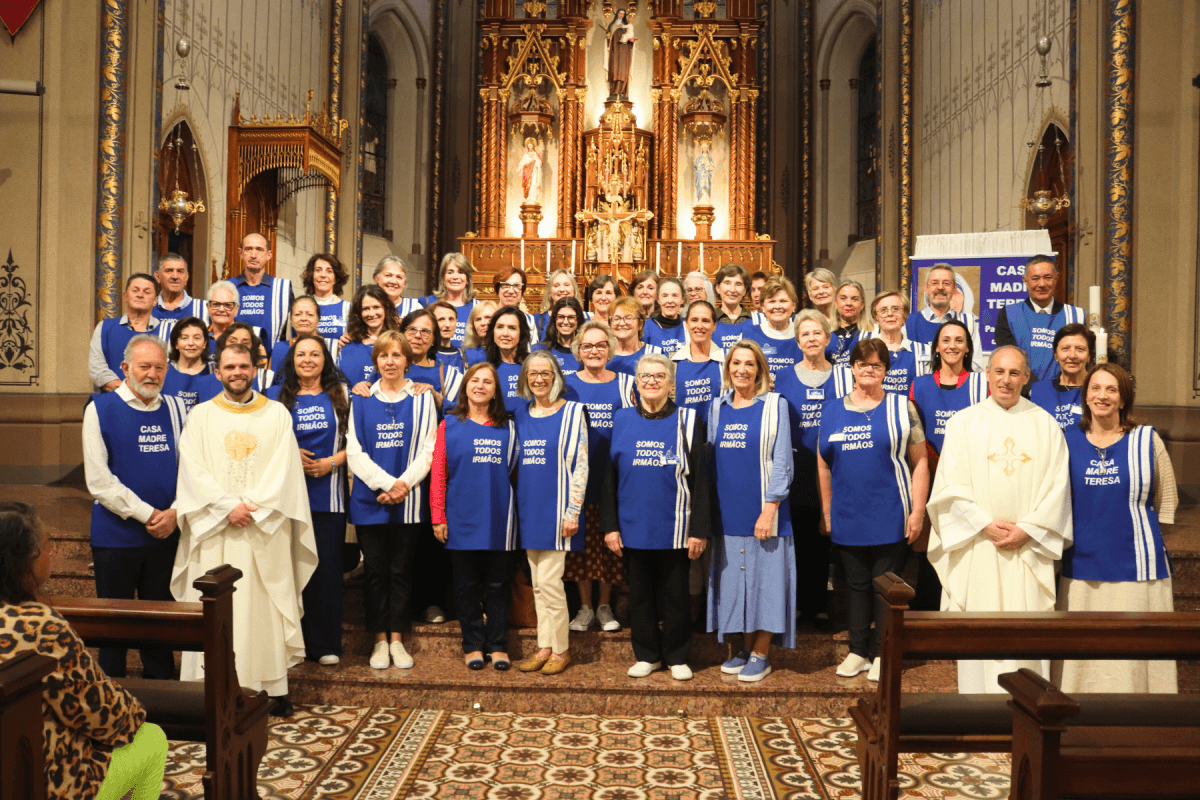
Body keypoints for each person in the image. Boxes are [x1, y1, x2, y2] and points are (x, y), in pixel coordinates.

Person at [171, 342, 316, 717]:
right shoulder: (200, 416)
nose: (237, 372)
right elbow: (192, 469)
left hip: (262, 528)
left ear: (256, 369)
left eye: (243, 366)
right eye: (230, 367)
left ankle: (268, 688)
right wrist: (226, 508)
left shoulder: (277, 414)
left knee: (261, 607)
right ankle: (207, 688)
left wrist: (251, 507)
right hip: (215, 530)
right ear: (218, 372)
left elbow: (285, 471)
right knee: (216, 608)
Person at [926, 345, 1073, 693]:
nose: (1006, 380)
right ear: (988, 375)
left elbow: (1058, 487)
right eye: (1000, 372)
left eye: (1014, 373)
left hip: (1027, 550)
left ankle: (1029, 709)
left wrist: (1028, 529)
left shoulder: (1046, 425)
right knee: (981, 634)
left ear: (1026, 377)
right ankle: (978, 710)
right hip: (979, 546)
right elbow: (948, 485)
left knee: (1026, 634)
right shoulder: (963, 423)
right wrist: (983, 524)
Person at [0, 502, 169, 800]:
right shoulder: (41, 628)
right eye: (47, 545)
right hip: (40, 785)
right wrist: (133, 714)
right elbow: (106, 714)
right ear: (26, 560)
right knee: (150, 738)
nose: (51, 553)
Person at [1054, 363, 1179, 693]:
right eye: (1095, 388)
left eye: (1112, 390)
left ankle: (1140, 716)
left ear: (1123, 399)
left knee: (1134, 656)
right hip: (1082, 568)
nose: (1102, 396)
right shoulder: (1067, 440)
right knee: (1085, 657)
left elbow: (1166, 500)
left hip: (1137, 568)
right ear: (1085, 396)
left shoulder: (1146, 440)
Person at [819, 339, 929, 682]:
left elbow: (920, 462)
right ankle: (857, 652)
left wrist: (918, 512)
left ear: (886, 371)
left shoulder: (902, 407)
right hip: (848, 513)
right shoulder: (831, 410)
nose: (869, 370)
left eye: (877, 365)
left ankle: (883, 652)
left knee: (885, 587)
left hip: (891, 512)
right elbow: (823, 464)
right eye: (863, 364)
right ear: (852, 368)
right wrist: (827, 511)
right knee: (855, 585)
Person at [83, 334, 186, 681]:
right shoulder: (100, 408)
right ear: (125, 368)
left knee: (160, 630)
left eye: (159, 367)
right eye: (144, 367)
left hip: (166, 535)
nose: (152, 374)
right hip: (116, 537)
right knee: (113, 631)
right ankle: (109, 702)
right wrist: (149, 514)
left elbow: (192, 468)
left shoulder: (177, 408)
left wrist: (175, 512)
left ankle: (163, 700)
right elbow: (99, 481)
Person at [602, 352, 710, 681]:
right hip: (632, 525)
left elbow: (701, 480)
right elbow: (609, 478)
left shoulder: (689, 419)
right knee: (640, 596)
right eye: (645, 376)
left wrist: (699, 529)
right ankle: (647, 655)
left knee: (676, 596)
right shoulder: (621, 418)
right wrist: (610, 527)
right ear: (636, 383)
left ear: (671, 385)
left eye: (659, 376)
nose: (651, 381)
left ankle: (677, 656)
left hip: (675, 526)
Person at [345, 330, 437, 670]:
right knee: (375, 572)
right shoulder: (361, 398)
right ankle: (379, 641)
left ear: (407, 360)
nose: (390, 361)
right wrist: (386, 484)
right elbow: (354, 451)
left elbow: (429, 449)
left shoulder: (422, 398)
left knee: (400, 572)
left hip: (408, 500)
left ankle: (397, 639)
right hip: (370, 499)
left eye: (396, 355)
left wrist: (402, 485)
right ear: (376, 361)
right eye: (384, 355)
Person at [708, 340, 795, 683]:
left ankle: (761, 652)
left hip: (765, 513)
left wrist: (770, 508)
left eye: (749, 363)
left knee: (766, 585)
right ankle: (744, 649)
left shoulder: (775, 404)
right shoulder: (717, 407)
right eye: (736, 363)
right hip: (728, 511)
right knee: (738, 586)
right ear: (727, 368)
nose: (741, 370)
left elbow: (783, 461)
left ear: (760, 369)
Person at [265, 334, 349, 667]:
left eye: (315, 354)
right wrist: (288, 452)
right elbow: (262, 442)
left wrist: (332, 462)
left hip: (329, 496)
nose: (308, 360)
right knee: (287, 570)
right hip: (285, 497)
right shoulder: (273, 396)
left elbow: (358, 442)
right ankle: (289, 644)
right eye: (301, 354)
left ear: (325, 360)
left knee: (326, 571)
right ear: (292, 360)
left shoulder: (341, 394)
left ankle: (325, 643)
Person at [431, 363, 520, 670]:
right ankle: (472, 645)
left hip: (500, 518)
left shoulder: (509, 427)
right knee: (466, 586)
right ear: (465, 387)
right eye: (475, 381)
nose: (480, 386)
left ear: (496, 391)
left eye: (487, 382)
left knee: (498, 586)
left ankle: (497, 645)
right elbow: (439, 474)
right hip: (460, 518)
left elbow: (516, 474)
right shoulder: (448, 425)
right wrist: (438, 516)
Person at [773, 310, 852, 630]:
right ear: (797, 341)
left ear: (828, 338)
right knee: (797, 538)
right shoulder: (783, 377)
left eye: (817, 333)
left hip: (834, 469)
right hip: (796, 469)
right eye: (805, 334)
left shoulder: (844, 376)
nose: (811, 339)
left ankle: (819, 605)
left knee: (823, 538)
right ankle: (795, 604)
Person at [512, 351, 589, 675]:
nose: (539, 378)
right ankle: (544, 646)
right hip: (529, 508)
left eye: (545, 373)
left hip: (558, 511)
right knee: (537, 584)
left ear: (556, 376)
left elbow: (581, 466)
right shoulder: (521, 414)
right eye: (533, 373)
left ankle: (561, 649)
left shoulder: (572, 412)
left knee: (550, 582)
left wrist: (573, 511)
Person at [563, 321, 635, 634]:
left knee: (608, 545)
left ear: (610, 349)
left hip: (613, 479)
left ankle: (604, 606)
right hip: (576, 479)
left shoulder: (626, 384)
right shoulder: (566, 384)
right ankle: (585, 607)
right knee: (581, 546)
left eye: (601, 345)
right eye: (588, 346)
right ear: (578, 351)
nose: (594, 351)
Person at [994, 254, 1086, 382]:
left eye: (1048, 278)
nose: (1042, 284)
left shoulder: (1076, 315)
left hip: (1064, 388)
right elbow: (1010, 360)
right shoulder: (1009, 314)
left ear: (1056, 278)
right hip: (1022, 390)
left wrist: (1056, 388)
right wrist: (1036, 388)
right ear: (1025, 281)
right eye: (1035, 278)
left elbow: (1081, 358)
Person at [88, 273, 169, 392]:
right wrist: (129, 392)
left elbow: (169, 372)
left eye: (147, 292)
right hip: (114, 399)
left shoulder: (167, 331)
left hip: (156, 398)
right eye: (135, 290)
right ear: (125, 296)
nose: (140, 295)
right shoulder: (105, 328)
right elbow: (97, 369)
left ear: (155, 300)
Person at [906, 263, 984, 371]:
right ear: (926, 288)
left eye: (946, 283)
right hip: (919, 382)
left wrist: (948, 378)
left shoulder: (969, 322)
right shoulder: (908, 322)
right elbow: (905, 365)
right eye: (935, 283)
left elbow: (976, 365)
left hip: (958, 382)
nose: (940, 287)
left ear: (954, 288)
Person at [231, 232, 294, 345]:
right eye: (248, 249)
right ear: (241, 253)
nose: (253, 255)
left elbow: (294, 330)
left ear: (269, 255)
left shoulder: (282, 289)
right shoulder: (228, 287)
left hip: (272, 355)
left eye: (259, 249)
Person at [864, 291, 930, 396]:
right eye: (883, 310)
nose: (890, 314)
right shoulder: (864, 352)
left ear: (904, 315)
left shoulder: (925, 351)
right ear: (876, 318)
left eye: (895, 309)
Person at [1029, 323, 1094, 430]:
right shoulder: (1039, 391)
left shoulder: (1098, 390)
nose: (1072, 355)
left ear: (1089, 356)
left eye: (1080, 349)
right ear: (1056, 355)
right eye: (1065, 349)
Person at [338, 285, 401, 394]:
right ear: (359, 313)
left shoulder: (399, 342)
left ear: (386, 308)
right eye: (366, 309)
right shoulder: (348, 344)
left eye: (376, 307)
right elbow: (340, 384)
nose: (371, 314)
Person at [739, 276, 803, 378]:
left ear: (794, 305)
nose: (777, 306)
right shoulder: (749, 335)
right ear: (763, 306)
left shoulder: (804, 334)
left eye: (783, 301)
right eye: (771, 301)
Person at [673, 300, 724, 418]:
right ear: (686, 324)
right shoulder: (672, 362)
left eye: (705, 321)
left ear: (714, 325)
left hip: (717, 428)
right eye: (694, 320)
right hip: (682, 428)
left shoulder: (727, 361)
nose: (699, 326)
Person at [400, 307, 458, 409]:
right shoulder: (387, 366)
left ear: (434, 340)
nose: (418, 335)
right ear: (402, 334)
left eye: (425, 331)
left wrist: (436, 397)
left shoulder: (448, 374)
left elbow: (460, 412)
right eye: (412, 329)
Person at [420, 252, 477, 348]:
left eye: (461, 272)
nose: (455, 277)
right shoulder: (425, 303)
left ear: (467, 279)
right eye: (450, 272)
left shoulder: (477, 307)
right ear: (443, 277)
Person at [161, 316, 217, 412]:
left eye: (197, 338)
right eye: (184, 338)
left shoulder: (215, 372)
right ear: (176, 344)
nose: (191, 343)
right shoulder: (163, 371)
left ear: (204, 343)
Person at [271, 295, 336, 375]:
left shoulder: (332, 346)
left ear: (318, 319)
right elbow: (273, 380)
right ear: (291, 319)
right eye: (298, 314)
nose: (304, 318)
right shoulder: (279, 348)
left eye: (310, 314)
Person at [485, 305, 533, 413]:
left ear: (521, 333)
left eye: (512, 328)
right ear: (493, 331)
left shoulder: (533, 364)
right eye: (500, 327)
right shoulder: (484, 366)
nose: (505, 334)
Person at [205, 279, 267, 356]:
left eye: (227, 305)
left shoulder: (251, 337)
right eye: (216, 304)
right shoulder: (200, 337)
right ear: (208, 307)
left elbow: (260, 363)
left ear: (236, 309)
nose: (221, 309)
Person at [303, 253, 352, 341]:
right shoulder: (300, 307)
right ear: (311, 275)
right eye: (318, 270)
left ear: (336, 278)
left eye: (329, 271)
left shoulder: (348, 309)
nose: (323, 275)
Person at [608, 296, 662, 377]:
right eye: (616, 319)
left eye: (628, 318)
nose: (621, 323)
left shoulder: (656, 354)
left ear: (640, 324)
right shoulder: (602, 355)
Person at [153, 252, 207, 327]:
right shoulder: (147, 307)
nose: (175, 276)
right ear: (158, 276)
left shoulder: (204, 309)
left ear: (186, 277)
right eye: (169, 271)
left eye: (180, 271)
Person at [214, 322, 273, 391]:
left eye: (245, 343)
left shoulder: (267, 378)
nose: (238, 346)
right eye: (232, 341)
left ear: (253, 348)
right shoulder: (208, 380)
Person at [535, 296, 584, 376]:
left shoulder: (586, 351)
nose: (565, 322)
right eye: (561, 317)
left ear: (578, 320)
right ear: (554, 319)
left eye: (571, 317)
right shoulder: (540, 350)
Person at [827, 280, 870, 366]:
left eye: (854, 299)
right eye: (843, 298)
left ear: (862, 304)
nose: (849, 303)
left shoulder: (872, 334)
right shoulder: (825, 334)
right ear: (836, 303)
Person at [494, 266, 540, 342]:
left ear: (522, 291)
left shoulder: (529, 321)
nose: (511, 291)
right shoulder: (487, 317)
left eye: (516, 286)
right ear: (497, 289)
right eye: (506, 285)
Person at [643, 277, 687, 355]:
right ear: (658, 300)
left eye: (675, 295)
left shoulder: (689, 325)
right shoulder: (646, 327)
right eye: (665, 296)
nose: (670, 301)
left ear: (682, 300)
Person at [713, 263, 752, 350]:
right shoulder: (709, 318)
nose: (733, 290)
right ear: (718, 288)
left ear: (745, 290)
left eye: (738, 284)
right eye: (727, 283)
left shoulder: (755, 320)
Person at [537, 269, 584, 339]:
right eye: (556, 286)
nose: (562, 289)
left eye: (566, 285)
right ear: (549, 292)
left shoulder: (587, 318)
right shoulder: (538, 320)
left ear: (574, 290)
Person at [605, 8, 636, 99]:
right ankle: (613, 91)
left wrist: (631, 41)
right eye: (620, 14)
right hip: (614, 50)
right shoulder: (612, 25)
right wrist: (608, 37)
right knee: (614, 69)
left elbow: (630, 37)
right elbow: (608, 39)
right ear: (617, 14)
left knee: (623, 70)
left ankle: (622, 91)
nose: (621, 15)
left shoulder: (627, 25)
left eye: (623, 14)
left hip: (624, 51)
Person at [431, 299, 469, 374]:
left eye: (451, 319)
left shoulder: (462, 355)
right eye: (441, 319)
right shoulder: (424, 355)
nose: (447, 325)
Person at [462, 300, 496, 367]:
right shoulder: (468, 355)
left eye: (488, 318)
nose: (483, 323)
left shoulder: (507, 353)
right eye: (478, 319)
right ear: (473, 326)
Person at [517, 137, 542, 203]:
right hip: (527, 173)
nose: (530, 147)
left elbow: (539, 162)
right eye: (529, 146)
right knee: (528, 185)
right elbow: (522, 163)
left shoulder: (536, 154)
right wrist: (520, 167)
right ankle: (528, 198)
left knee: (533, 184)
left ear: (533, 146)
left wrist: (536, 161)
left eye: (531, 145)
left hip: (534, 172)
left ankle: (533, 198)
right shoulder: (526, 155)